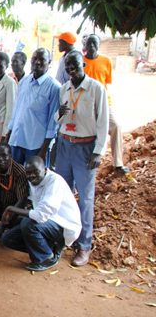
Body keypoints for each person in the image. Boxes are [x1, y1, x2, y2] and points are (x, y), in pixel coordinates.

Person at [54, 50, 109, 266]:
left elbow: (103, 122)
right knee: (63, 194)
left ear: (83, 64)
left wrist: (98, 151)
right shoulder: (64, 89)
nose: (71, 68)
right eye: (67, 65)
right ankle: (61, 238)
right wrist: (60, 113)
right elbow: (59, 119)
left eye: (74, 64)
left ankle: (84, 247)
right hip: (65, 143)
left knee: (85, 199)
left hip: (86, 147)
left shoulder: (96, 89)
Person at [0, 156, 82, 272]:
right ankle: (48, 247)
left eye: (35, 172)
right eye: (28, 173)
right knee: (8, 239)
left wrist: (12, 209)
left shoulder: (55, 182)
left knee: (27, 224)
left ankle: (45, 258)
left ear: (44, 169)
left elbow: (40, 215)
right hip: (45, 223)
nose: (31, 176)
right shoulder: (34, 181)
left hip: (62, 225)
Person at [83, 34, 129, 173]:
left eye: (95, 43)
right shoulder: (81, 61)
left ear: (99, 45)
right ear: (84, 45)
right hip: (85, 102)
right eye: (89, 43)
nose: (92, 46)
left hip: (104, 101)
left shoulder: (106, 61)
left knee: (116, 126)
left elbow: (106, 82)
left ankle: (118, 164)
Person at [6, 48, 60, 165]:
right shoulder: (24, 81)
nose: (38, 62)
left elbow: (53, 123)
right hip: (17, 139)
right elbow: (17, 110)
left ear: (49, 62)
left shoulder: (54, 87)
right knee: (15, 177)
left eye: (42, 59)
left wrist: (44, 150)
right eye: (35, 58)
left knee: (34, 180)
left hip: (36, 145)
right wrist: (8, 134)